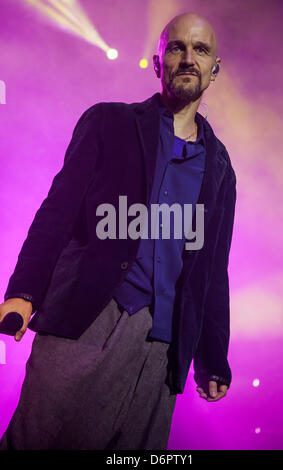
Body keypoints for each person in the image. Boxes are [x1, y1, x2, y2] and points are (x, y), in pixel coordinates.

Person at [0, 12, 237, 450]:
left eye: (200, 50)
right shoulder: (109, 123)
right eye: (177, 48)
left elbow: (212, 270)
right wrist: (25, 291)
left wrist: (211, 357)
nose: (188, 58)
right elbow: (57, 212)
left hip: (161, 352)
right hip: (86, 322)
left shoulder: (221, 168)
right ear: (156, 61)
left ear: (214, 69)